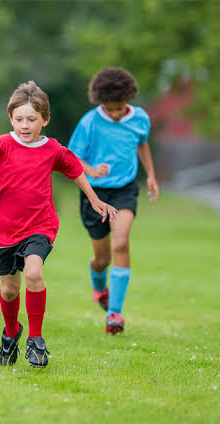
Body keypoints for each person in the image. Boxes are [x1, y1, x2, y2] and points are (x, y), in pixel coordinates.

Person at [0, 81, 118, 368]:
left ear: (44, 120)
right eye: (19, 119)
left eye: (32, 119)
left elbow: (75, 170)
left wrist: (95, 200)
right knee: (9, 288)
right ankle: (11, 333)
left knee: (34, 273)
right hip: (4, 229)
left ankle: (36, 338)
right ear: (10, 119)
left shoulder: (52, 149)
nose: (25, 125)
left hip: (40, 226)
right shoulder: (0, 145)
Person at [68, 67, 159, 335]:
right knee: (102, 259)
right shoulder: (89, 123)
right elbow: (72, 159)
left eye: (120, 108)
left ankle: (114, 314)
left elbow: (142, 144)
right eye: (110, 109)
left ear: (128, 100)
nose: (116, 114)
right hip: (94, 196)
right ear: (101, 102)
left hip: (124, 190)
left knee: (121, 243)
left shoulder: (140, 118)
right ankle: (99, 286)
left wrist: (151, 175)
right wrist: (91, 170)